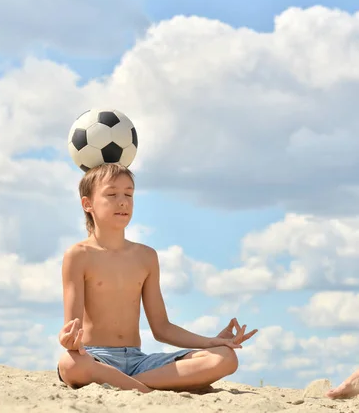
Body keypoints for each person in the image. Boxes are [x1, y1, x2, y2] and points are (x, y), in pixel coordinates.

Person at [57, 163, 258, 393]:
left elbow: (162, 328)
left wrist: (211, 341)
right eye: (111, 194)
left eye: (129, 194)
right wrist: (69, 340)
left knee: (225, 358)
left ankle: (128, 384)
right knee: (70, 364)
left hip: (138, 362)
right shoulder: (78, 255)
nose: (122, 201)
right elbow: (72, 329)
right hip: (95, 357)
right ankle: (145, 389)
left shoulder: (146, 256)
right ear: (87, 204)